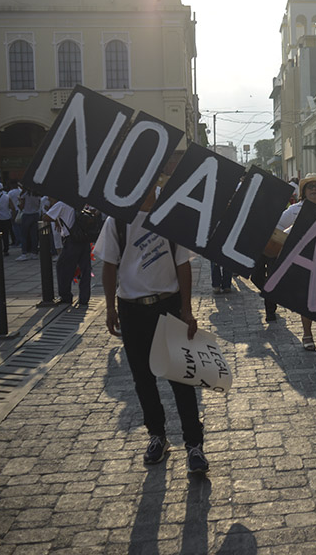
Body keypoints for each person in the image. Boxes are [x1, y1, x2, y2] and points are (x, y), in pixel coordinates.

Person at [93, 188, 207, 473]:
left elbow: (183, 265)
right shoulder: (118, 219)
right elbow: (109, 265)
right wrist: (109, 307)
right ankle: (157, 436)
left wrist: (187, 309)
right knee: (143, 378)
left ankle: (194, 445)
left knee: (182, 378)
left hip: (166, 305)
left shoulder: (170, 215)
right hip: (132, 308)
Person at [269, 172, 316, 349]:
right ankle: (307, 334)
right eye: (310, 187)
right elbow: (278, 227)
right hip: (303, 259)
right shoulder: (294, 210)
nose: (314, 189)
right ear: (304, 191)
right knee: (307, 299)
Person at [45, 200, 91, 306]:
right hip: (84, 239)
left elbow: (46, 217)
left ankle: (66, 296)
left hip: (72, 240)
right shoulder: (81, 202)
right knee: (85, 269)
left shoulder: (61, 204)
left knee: (63, 268)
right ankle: (84, 298)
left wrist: (56, 216)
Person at [16, 189, 42, 261]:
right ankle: (34, 253)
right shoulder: (37, 194)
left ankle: (24, 253)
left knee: (24, 235)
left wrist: (19, 201)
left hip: (27, 214)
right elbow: (39, 204)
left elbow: (22, 206)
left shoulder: (26, 194)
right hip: (35, 214)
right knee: (34, 235)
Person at [7, 181, 22, 248]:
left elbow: (9, 202)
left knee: (15, 227)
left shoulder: (10, 193)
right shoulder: (21, 191)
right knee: (21, 227)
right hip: (20, 210)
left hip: (13, 211)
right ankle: (21, 241)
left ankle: (17, 240)